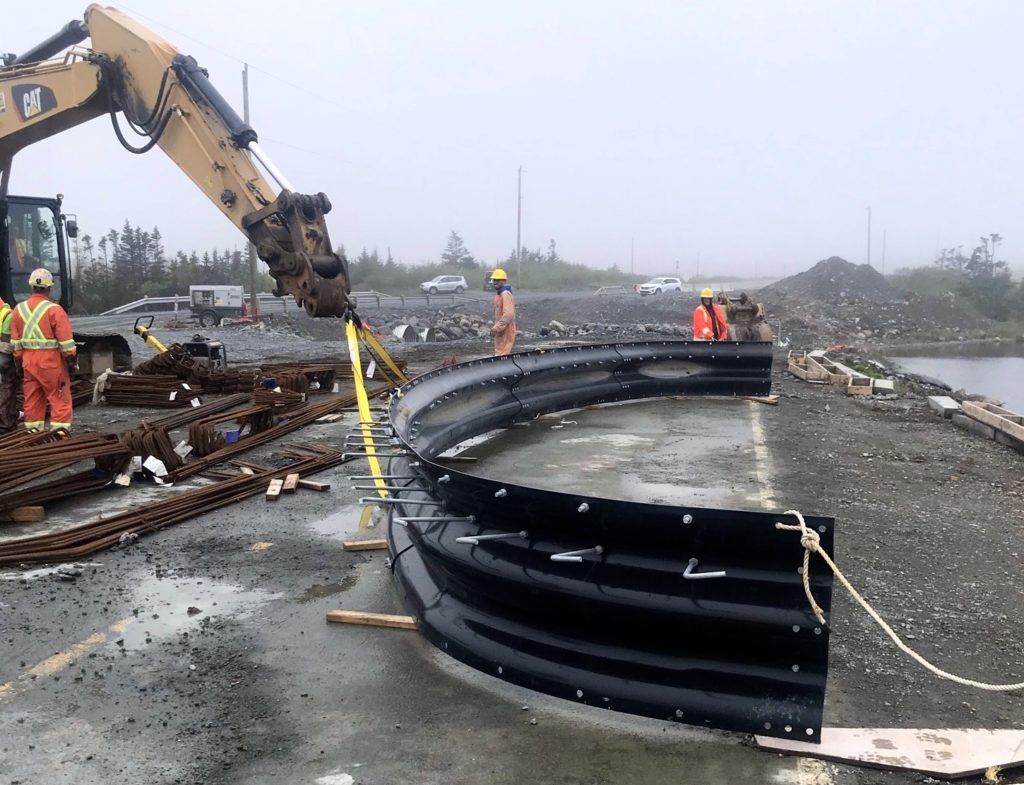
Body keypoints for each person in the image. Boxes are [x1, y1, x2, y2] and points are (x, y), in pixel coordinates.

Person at [11, 268, 77, 432]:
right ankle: (60, 437)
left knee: (32, 401)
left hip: (28, 363)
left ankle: (33, 436)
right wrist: (71, 363)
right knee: (60, 400)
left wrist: (19, 365)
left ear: (31, 287)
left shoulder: (18, 310)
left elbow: (16, 344)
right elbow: (67, 344)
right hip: (51, 363)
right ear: (49, 287)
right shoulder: (55, 310)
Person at [0, 295, 19, 433]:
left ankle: (8, 422)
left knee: (7, 390)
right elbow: (9, 343)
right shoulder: (8, 315)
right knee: (8, 390)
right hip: (5, 360)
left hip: (3, 359)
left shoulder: (7, 316)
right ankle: (6, 425)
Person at [489, 268, 516, 356]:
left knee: (504, 353)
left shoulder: (505, 294)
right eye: (494, 280)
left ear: (503, 281)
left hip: (506, 329)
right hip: (502, 329)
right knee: (500, 352)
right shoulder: (500, 294)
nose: (495, 282)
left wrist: (496, 328)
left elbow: (508, 315)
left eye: (497, 280)